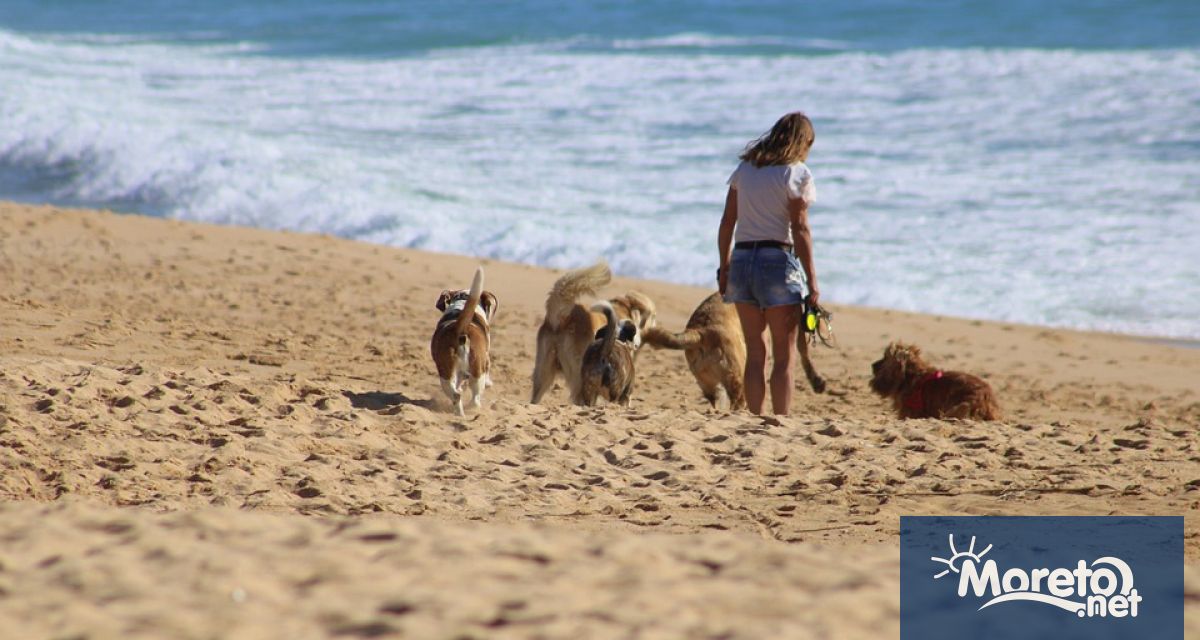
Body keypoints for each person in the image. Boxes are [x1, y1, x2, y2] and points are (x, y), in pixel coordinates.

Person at [717, 112, 820, 415]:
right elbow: (800, 230)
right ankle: (781, 421)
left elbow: (727, 224)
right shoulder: (797, 173)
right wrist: (813, 282)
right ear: (802, 142)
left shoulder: (745, 170)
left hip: (743, 261)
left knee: (755, 352)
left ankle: (754, 418)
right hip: (777, 261)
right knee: (784, 357)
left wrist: (724, 269)